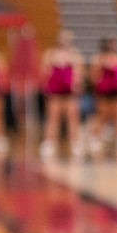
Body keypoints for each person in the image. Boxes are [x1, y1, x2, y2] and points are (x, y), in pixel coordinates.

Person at [41, 29, 84, 160]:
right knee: (53, 117)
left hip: (69, 92)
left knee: (72, 117)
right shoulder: (50, 54)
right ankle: (49, 143)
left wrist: (77, 84)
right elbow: (45, 71)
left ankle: (75, 143)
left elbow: (79, 73)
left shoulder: (75, 55)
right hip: (55, 91)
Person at [91, 37, 117, 158]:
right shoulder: (98, 59)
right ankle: (96, 139)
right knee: (101, 116)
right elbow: (94, 76)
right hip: (104, 92)